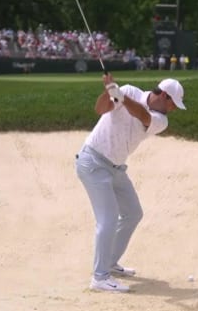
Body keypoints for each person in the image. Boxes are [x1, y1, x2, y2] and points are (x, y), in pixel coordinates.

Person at [75, 74, 186, 292]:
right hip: (93, 162)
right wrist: (110, 92)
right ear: (164, 95)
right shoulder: (129, 91)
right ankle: (100, 277)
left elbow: (142, 115)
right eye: (173, 104)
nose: (173, 109)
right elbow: (100, 109)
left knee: (133, 213)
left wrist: (121, 97)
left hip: (116, 168)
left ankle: (110, 263)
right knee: (107, 219)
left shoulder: (160, 120)